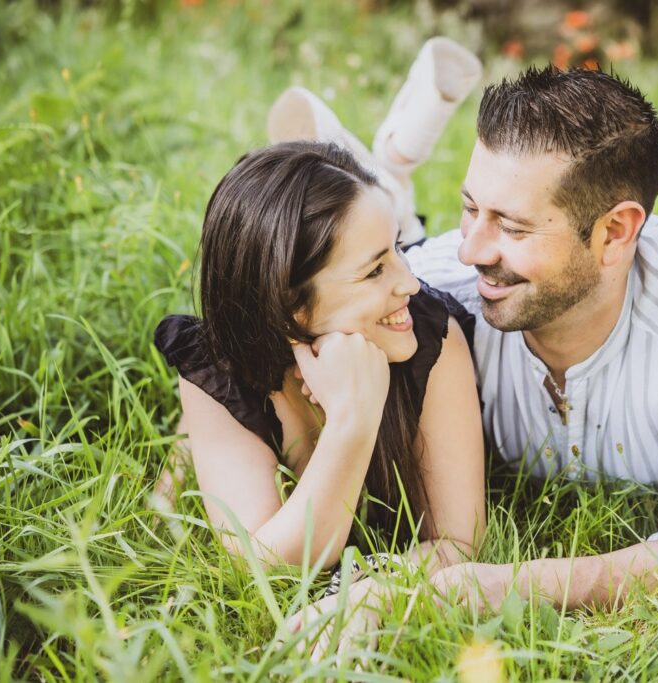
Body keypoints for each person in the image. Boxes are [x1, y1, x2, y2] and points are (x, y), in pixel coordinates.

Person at [284, 0, 658, 654]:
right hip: (625, 256)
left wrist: (484, 586)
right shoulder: (442, 281)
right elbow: (302, 312)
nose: (469, 249)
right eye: (470, 209)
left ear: (615, 232)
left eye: (513, 227)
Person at [153, 108, 487, 569]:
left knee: (415, 243)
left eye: (396, 253)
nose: (408, 283)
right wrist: (353, 418)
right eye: (374, 270)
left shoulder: (431, 336)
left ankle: (395, 173)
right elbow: (263, 563)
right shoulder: (218, 369)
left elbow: (460, 544)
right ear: (292, 307)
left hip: (444, 267)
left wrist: (368, 591)